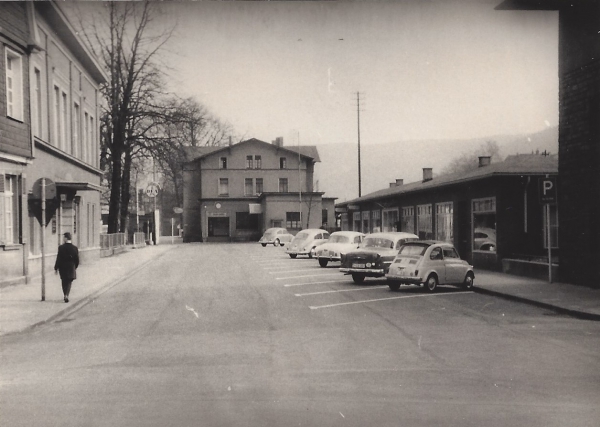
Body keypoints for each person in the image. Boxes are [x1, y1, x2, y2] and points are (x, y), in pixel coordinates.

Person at [54, 232, 79, 303]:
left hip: (63, 267)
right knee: (69, 281)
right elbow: (77, 259)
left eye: (63, 237)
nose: (63, 239)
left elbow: (58, 258)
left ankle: (65, 294)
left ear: (65, 238)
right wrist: (75, 266)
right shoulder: (75, 248)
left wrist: (56, 268)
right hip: (71, 267)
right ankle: (66, 295)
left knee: (63, 281)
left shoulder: (61, 247)